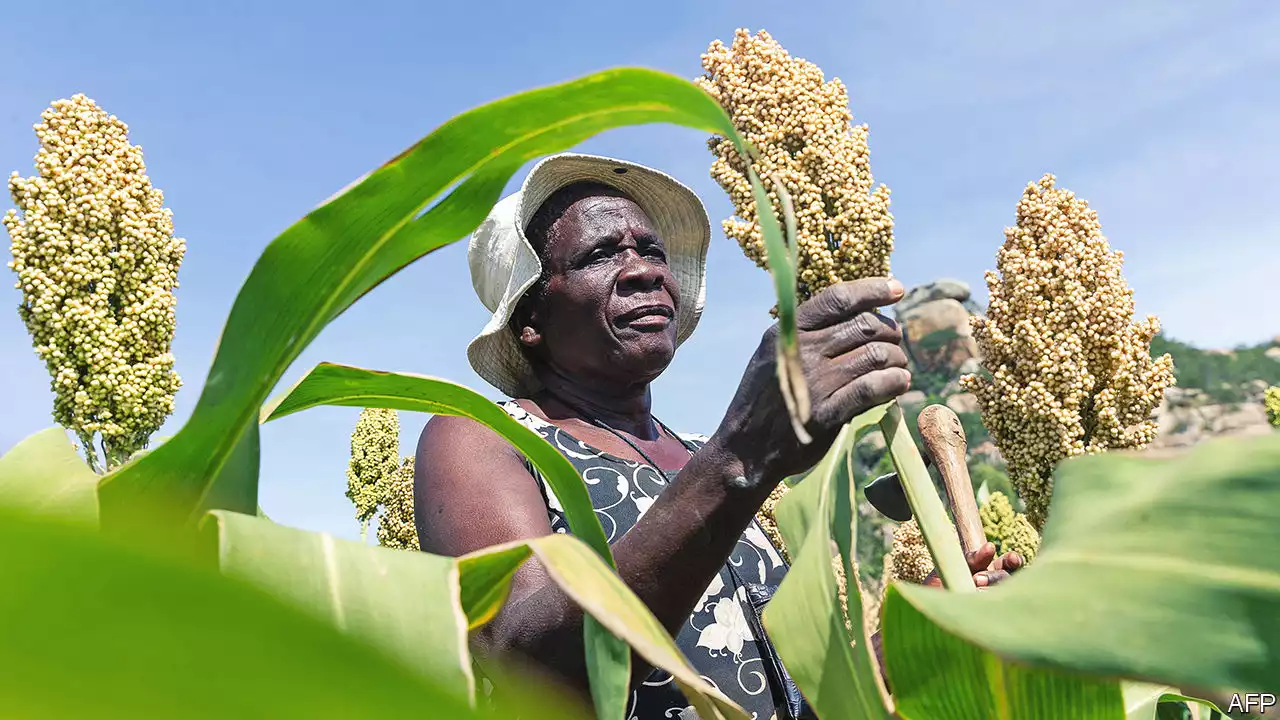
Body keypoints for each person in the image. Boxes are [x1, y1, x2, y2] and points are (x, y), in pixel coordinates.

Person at [414, 153, 1022, 719]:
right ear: (529, 321)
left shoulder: (700, 456)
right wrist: (743, 455)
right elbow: (530, 669)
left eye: (651, 250)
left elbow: (781, 691)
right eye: (601, 255)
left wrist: (914, 639)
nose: (644, 271)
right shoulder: (483, 438)